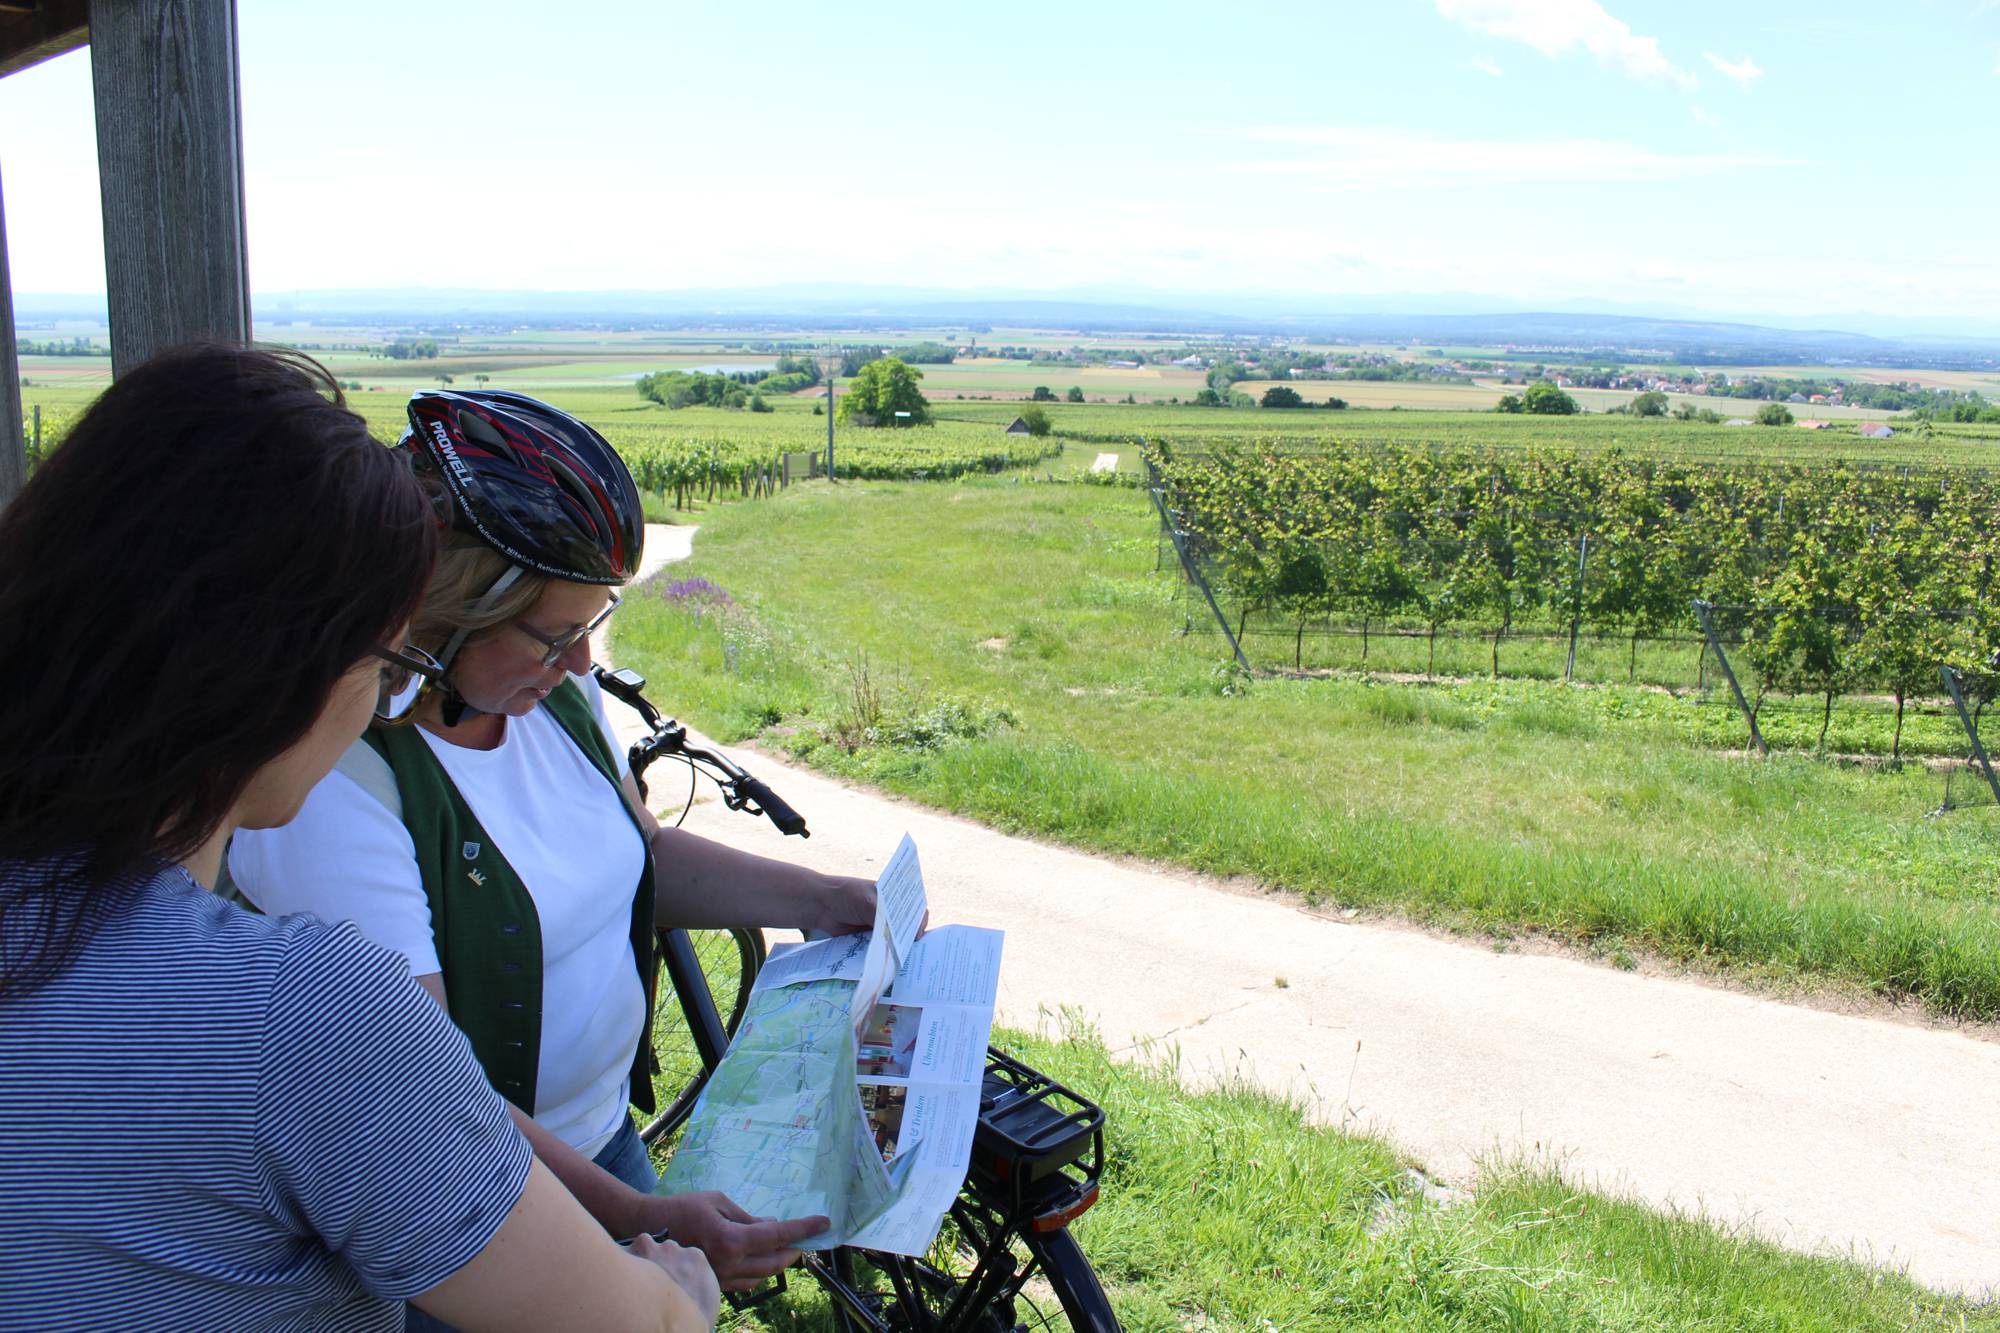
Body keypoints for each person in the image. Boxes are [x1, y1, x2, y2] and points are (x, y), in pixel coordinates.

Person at [0, 344, 718, 1331]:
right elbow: (628, 1323)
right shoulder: (297, 1012)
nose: (390, 697)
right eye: (390, 658)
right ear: (288, 669)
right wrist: (678, 1290)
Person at [227, 387, 878, 1305]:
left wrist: (817, 899)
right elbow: (419, 1091)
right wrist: (631, 1215)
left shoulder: (550, 701)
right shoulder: (337, 784)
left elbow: (637, 852)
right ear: (444, 612)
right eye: (552, 634)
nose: (580, 662)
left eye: (591, 626)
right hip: (476, 1200)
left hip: (605, 1138)